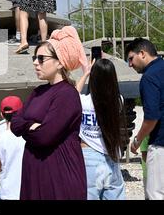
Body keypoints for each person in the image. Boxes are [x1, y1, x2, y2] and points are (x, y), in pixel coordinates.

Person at [11, 25, 87, 200]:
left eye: (41, 58)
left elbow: (45, 136)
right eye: (34, 58)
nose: (35, 62)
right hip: (36, 173)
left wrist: (29, 127)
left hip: (59, 176)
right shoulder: (38, 92)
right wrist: (31, 126)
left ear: (60, 62)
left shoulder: (67, 94)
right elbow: (14, 123)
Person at [76, 59, 126, 200]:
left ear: (94, 78)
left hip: (88, 157)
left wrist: (86, 73)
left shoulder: (83, 102)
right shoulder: (118, 101)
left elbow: (71, 95)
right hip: (111, 156)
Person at [127, 38, 164, 200]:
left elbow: (151, 118)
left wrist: (137, 140)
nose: (130, 64)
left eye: (130, 58)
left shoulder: (149, 77)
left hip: (160, 144)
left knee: (155, 194)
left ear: (142, 54)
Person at [0, 96, 25, 200]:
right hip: (29, 189)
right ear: (22, 112)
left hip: (8, 192)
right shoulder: (29, 135)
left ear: (2, 115)